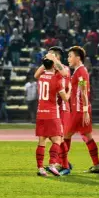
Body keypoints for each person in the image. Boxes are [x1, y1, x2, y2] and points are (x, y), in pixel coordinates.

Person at [61, 46, 99, 173]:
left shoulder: (81, 72)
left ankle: (62, 165)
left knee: (65, 137)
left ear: (78, 58)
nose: (68, 58)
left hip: (79, 110)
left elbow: (84, 92)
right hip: (81, 109)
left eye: (70, 56)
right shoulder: (80, 71)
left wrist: (84, 111)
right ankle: (96, 165)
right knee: (87, 137)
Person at [35, 46, 72, 175]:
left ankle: (63, 163)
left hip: (60, 108)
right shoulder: (52, 73)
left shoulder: (63, 68)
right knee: (57, 139)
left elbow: (65, 73)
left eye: (51, 54)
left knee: (58, 138)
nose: (48, 55)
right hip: (54, 108)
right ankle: (61, 162)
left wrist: (53, 60)